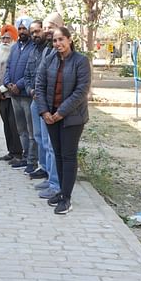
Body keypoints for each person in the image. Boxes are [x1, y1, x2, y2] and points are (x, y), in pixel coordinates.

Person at [35, 26, 91, 215]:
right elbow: (39, 84)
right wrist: (44, 112)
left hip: (72, 118)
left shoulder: (81, 61)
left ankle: (67, 199)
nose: (58, 44)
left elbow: (81, 91)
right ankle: (61, 191)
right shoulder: (49, 59)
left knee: (68, 156)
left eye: (61, 40)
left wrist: (61, 112)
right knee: (57, 154)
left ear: (69, 40)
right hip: (51, 116)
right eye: (55, 41)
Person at [30, 13, 65, 195]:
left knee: (53, 145)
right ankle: (49, 177)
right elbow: (40, 75)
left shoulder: (65, 53)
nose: (46, 31)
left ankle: (56, 185)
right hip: (41, 102)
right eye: (45, 27)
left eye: (50, 27)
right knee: (43, 141)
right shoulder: (46, 50)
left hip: (55, 106)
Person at [4, 16, 39, 173]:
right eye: (20, 29)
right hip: (14, 95)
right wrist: (8, 83)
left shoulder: (33, 48)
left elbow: (31, 72)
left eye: (25, 29)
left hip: (26, 94)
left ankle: (32, 159)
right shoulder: (15, 47)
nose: (23, 31)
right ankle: (24, 157)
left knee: (31, 130)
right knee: (21, 129)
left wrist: (18, 85)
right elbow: (8, 66)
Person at [0, 24, 22, 163]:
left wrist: (3, 89)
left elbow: (14, 75)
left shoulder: (16, 53)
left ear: (14, 40)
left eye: (8, 38)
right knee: (6, 124)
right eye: (3, 38)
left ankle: (18, 153)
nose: (5, 41)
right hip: (1, 95)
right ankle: (11, 151)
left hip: (13, 95)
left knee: (14, 124)